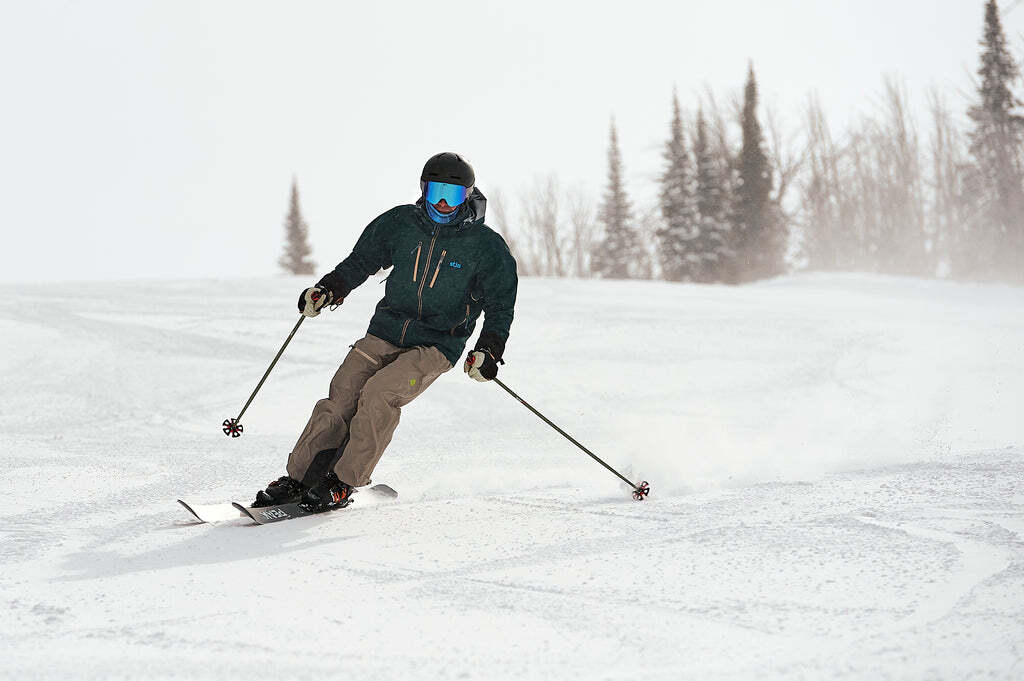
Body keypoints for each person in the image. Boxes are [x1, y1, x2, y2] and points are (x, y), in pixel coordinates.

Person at [252, 152, 518, 511]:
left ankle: (343, 482)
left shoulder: (485, 246)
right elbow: (361, 261)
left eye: (453, 194)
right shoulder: (400, 223)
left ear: (468, 196)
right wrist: (329, 288)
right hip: (385, 331)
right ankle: (299, 480)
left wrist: (489, 350)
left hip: (436, 345)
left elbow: (500, 305)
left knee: (379, 393)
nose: (443, 203)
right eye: (436, 191)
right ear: (423, 189)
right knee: (342, 395)